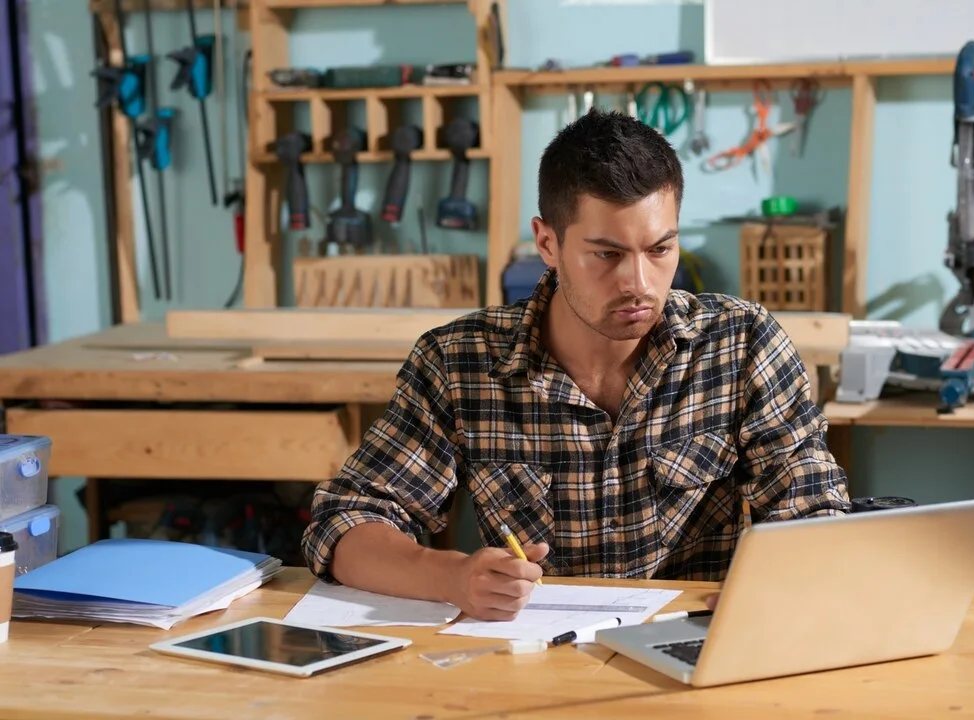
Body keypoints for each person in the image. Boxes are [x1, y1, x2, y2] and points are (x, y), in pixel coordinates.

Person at [301, 108, 850, 622]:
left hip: (695, 653)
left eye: (660, 250)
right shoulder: (459, 362)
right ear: (547, 242)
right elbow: (344, 522)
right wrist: (453, 576)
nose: (639, 283)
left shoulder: (742, 343)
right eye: (607, 254)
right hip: (537, 660)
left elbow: (814, 514)